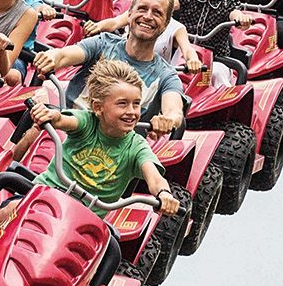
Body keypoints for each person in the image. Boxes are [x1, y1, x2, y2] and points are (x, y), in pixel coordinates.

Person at [29, 0, 188, 137]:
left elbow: (174, 110)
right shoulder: (103, 42)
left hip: (116, 148)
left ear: (166, 24)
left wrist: (167, 120)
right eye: (142, 9)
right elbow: (64, 55)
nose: (147, 16)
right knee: (32, 132)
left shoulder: (167, 75)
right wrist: (51, 57)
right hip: (68, 127)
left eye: (157, 13)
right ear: (130, 14)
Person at [24, 60, 179, 218]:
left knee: (111, 242)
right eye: (122, 104)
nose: (132, 112)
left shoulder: (137, 146)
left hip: (84, 220)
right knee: (12, 207)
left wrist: (164, 193)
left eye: (136, 104)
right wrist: (50, 115)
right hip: (44, 196)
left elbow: (155, 178)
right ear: (98, 107)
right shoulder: (87, 122)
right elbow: (62, 120)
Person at [173, 0, 255, 82]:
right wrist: (160, 0)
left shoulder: (229, 2)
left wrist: (241, 18)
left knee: (217, 73)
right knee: (169, 70)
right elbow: (173, 3)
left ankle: (226, 99)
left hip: (216, 58)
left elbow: (235, 13)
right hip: (185, 53)